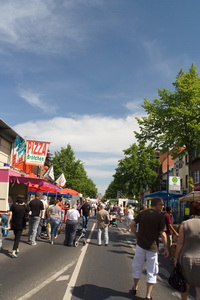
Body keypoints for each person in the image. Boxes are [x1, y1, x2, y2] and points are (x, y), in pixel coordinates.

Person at [130, 197, 169, 300]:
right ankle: (148, 295)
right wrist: (166, 248)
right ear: (156, 205)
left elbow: (131, 224)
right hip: (152, 247)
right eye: (161, 205)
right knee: (152, 270)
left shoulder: (142, 213)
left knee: (137, 266)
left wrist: (137, 235)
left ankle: (135, 287)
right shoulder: (160, 217)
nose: (163, 206)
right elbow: (163, 234)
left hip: (140, 245)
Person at [174, 201, 200, 300]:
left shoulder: (185, 224)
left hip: (186, 258)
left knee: (185, 285)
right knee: (199, 289)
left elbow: (180, 243)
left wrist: (176, 258)